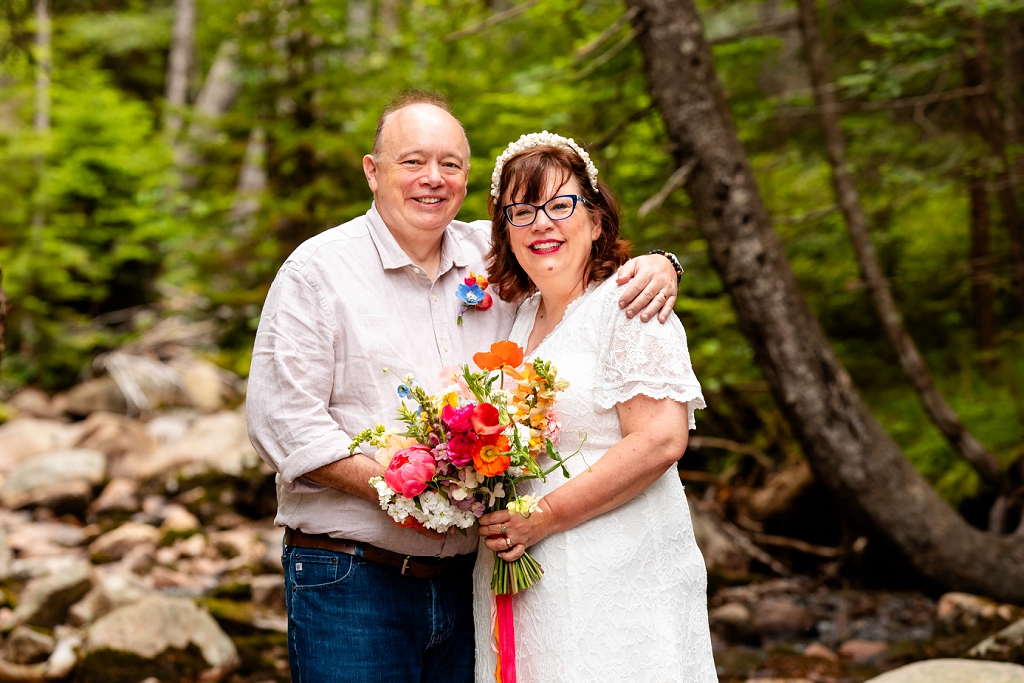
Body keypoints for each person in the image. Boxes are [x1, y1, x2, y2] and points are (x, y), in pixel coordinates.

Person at [246, 91, 682, 683]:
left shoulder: (494, 258)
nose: (433, 179)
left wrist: (661, 263)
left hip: (473, 583)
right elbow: (282, 423)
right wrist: (401, 490)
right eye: (412, 161)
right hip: (353, 577)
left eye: (449, 164)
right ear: (373, 172)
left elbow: (569, 248)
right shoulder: (315, 272)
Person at [473, 133, 717, 682]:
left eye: (561, 205)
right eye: (522, 210)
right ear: (505, 231)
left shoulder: (629, 303)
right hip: (529, 580)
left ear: (597, 219)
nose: (542, 223)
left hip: (619, 575)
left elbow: (660, 439)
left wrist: (545, 517)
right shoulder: (517, 317)